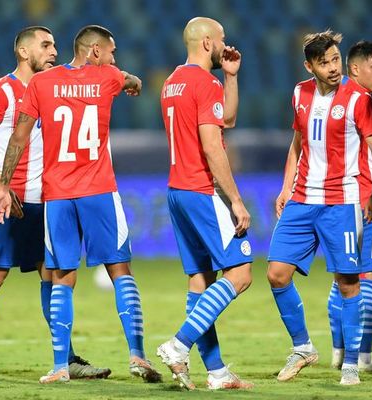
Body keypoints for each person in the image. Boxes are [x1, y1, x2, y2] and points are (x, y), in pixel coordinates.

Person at [0, 25, 161, 384]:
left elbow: (18, 138)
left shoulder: (41, 84)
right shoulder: (108, 77)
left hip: (57, 195)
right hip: (99, 190)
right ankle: (138, 355)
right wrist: (132, 81)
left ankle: (58, 366)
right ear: (96, 52)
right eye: (111, 51)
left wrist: (3, 186)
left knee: (61, 276)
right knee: (120, 270)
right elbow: (130, 79)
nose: (115, 59)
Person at [0, 26, 109, 380]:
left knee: (54, 275)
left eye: (55, 45)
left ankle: (67, 358)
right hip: (8, 201)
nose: (54, 50)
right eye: (45, 45)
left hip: (49, 201)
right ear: (24, 53)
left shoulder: (56, 88)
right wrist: (1, 186)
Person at [267, 30, 372, 386]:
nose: (334, 68)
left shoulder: (359, 99)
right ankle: (303, 346)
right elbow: (297, 143)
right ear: (309, 66)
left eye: (336, 59)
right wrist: (286, 187)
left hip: (343, 201)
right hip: (303, 198)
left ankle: (350, 364)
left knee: (348, 283)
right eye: (325, 62)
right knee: (276, 274)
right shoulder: (299, 94)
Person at [156, 17, 253, 391]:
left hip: (177, 190)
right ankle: (179, 344)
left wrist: (231, 76)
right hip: (201, 190)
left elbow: (225, 118)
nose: (226, 45)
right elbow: (213, 144)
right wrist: (236, 200)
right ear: (208, 42)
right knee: (240, 274)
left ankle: (217, 373)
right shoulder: (202, 82)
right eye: (222, 40)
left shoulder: (172, 82)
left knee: (200, 279)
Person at [327, 40, 372, 374]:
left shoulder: (333, 98)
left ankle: (339, 353)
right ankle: (362, 357)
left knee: (342, 278)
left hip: (337, 200)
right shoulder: (366, 102)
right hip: (367, 198)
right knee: (366, 278)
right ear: (355, 68)